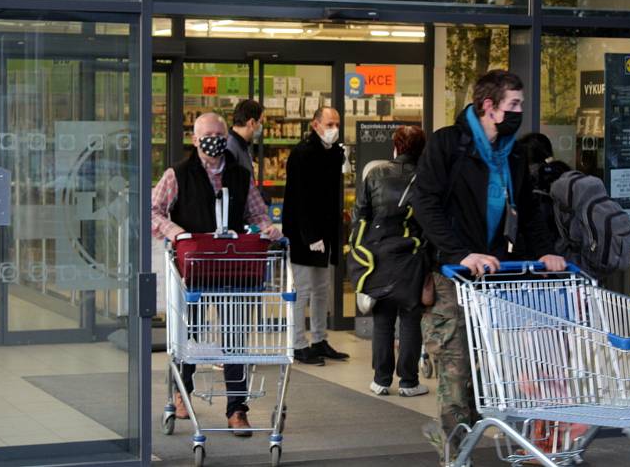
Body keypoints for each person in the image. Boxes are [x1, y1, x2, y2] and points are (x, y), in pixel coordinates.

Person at [411, 70, 566, 460]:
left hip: (495, 276)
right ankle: (453, 454)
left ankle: (466, 436)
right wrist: (460, 254)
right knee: (456, 371)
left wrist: (546, 251)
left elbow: (527, 212)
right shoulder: (449, 144)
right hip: (451, 276)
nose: (518, 112)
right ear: (488, 107)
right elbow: (425, 204)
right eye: (513, 105)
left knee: (492, 373)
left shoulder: (512, 152)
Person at [151, 112, 282, 437]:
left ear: (226, 137)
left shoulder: (239, 174)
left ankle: (237, 409)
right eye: (207, 134)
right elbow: (153, 210)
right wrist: (176, 232)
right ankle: (182, 392)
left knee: (235, 337)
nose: (214, 139)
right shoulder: (177, 174)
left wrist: (267, 228)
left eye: (219, 134)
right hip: (191, 269)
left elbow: (256, 211)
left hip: (232, 267)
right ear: (194, 139)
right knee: (188, 335)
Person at [351, 125, 429, 397]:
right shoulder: (426, 177)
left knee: (382, 319)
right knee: (410, 319)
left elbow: (360, 215)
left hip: (378, 256)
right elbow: (430, 219)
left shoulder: (375, 174)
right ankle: (409, 381)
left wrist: (361, 250)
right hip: (411, 255)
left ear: (395, 147)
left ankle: (381, 380)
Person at [282, 106, 350, 366]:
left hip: (326, 232)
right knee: (303, 289)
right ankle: (298, 344)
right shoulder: (302, 153)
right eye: (329, 124)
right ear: (315, 124)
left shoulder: (334, 153)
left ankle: (320, 339)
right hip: (303, 233)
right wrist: (310, 235)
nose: (334, 129)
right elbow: (299, 198)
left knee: (323, 288)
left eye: (337, 124)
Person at [227, 99, 264, 181]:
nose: (261, 126)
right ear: (252, 123)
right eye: (260, 122)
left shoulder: (241, 143)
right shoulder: (230, 148)